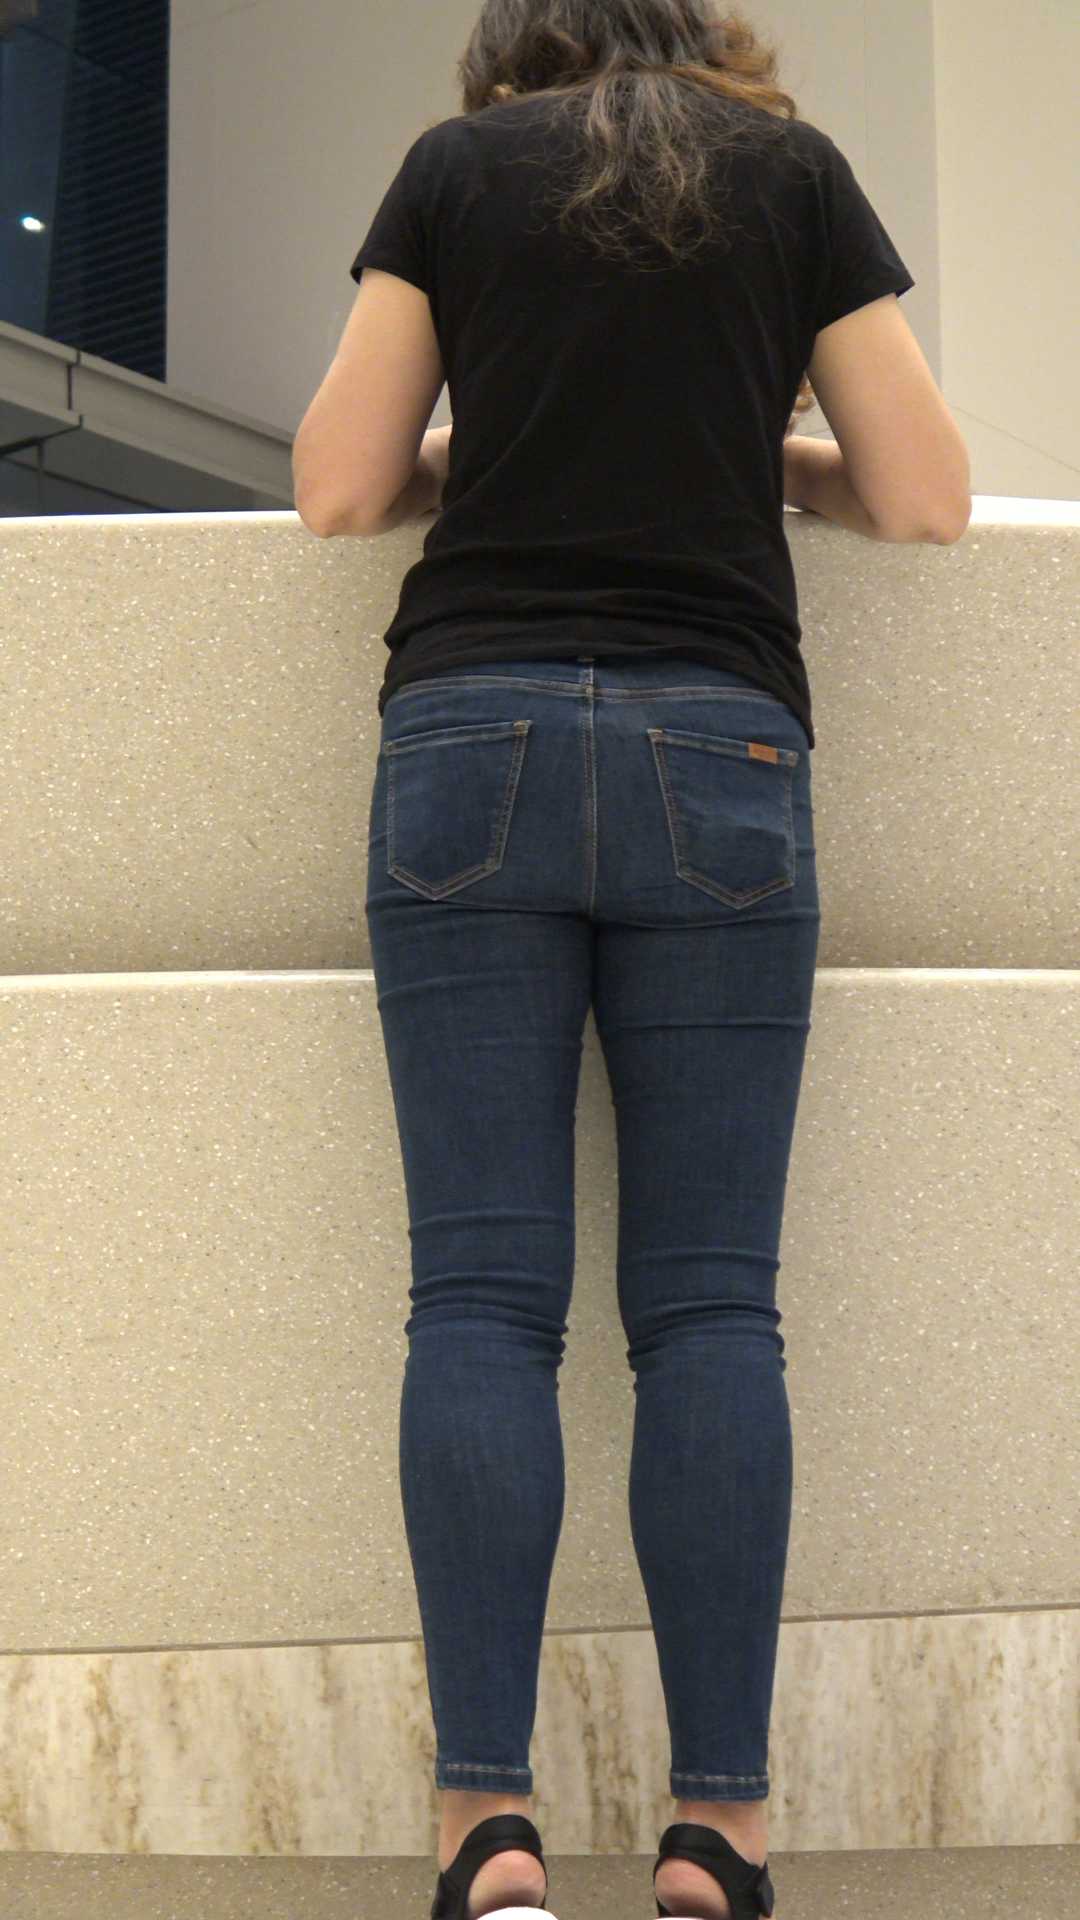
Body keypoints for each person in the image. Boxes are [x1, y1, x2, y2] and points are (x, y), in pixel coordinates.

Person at [355, 6, 971, 1918]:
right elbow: (927, 493)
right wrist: (750, 457)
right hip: (723, 749)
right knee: (712, 1313)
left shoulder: (455, 175)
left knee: (479, 1304)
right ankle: (719, 1833)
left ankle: (488, 1831)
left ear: (510, 44)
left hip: (471, 738)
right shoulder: (791, 176)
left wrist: (497, 442)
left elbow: (339, 482)